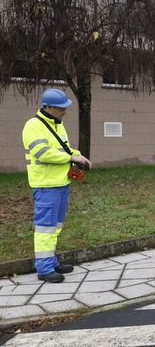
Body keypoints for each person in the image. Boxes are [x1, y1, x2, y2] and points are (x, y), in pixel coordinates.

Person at [22, 88, 92, 283]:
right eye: (61, 108)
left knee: (55, 227)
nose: (64, 111)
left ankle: (51, 261)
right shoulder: (33, 125)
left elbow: (64, 148)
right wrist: (71, 157)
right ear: (48, 107)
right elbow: (43, 153)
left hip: (61, 182)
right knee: (45, 227)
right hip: (46, 184)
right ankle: (44, 268)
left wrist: (79, 156)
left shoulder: (56, 124)